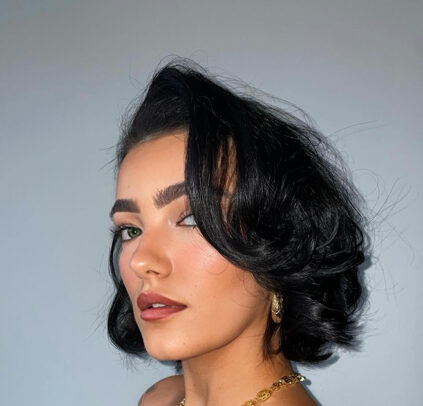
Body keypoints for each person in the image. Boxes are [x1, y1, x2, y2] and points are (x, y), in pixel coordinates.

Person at [107, 60, 368, 406]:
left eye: (192, 219)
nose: (140, 261)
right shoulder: (160, 399)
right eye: (131, 229)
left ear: (279, 247)